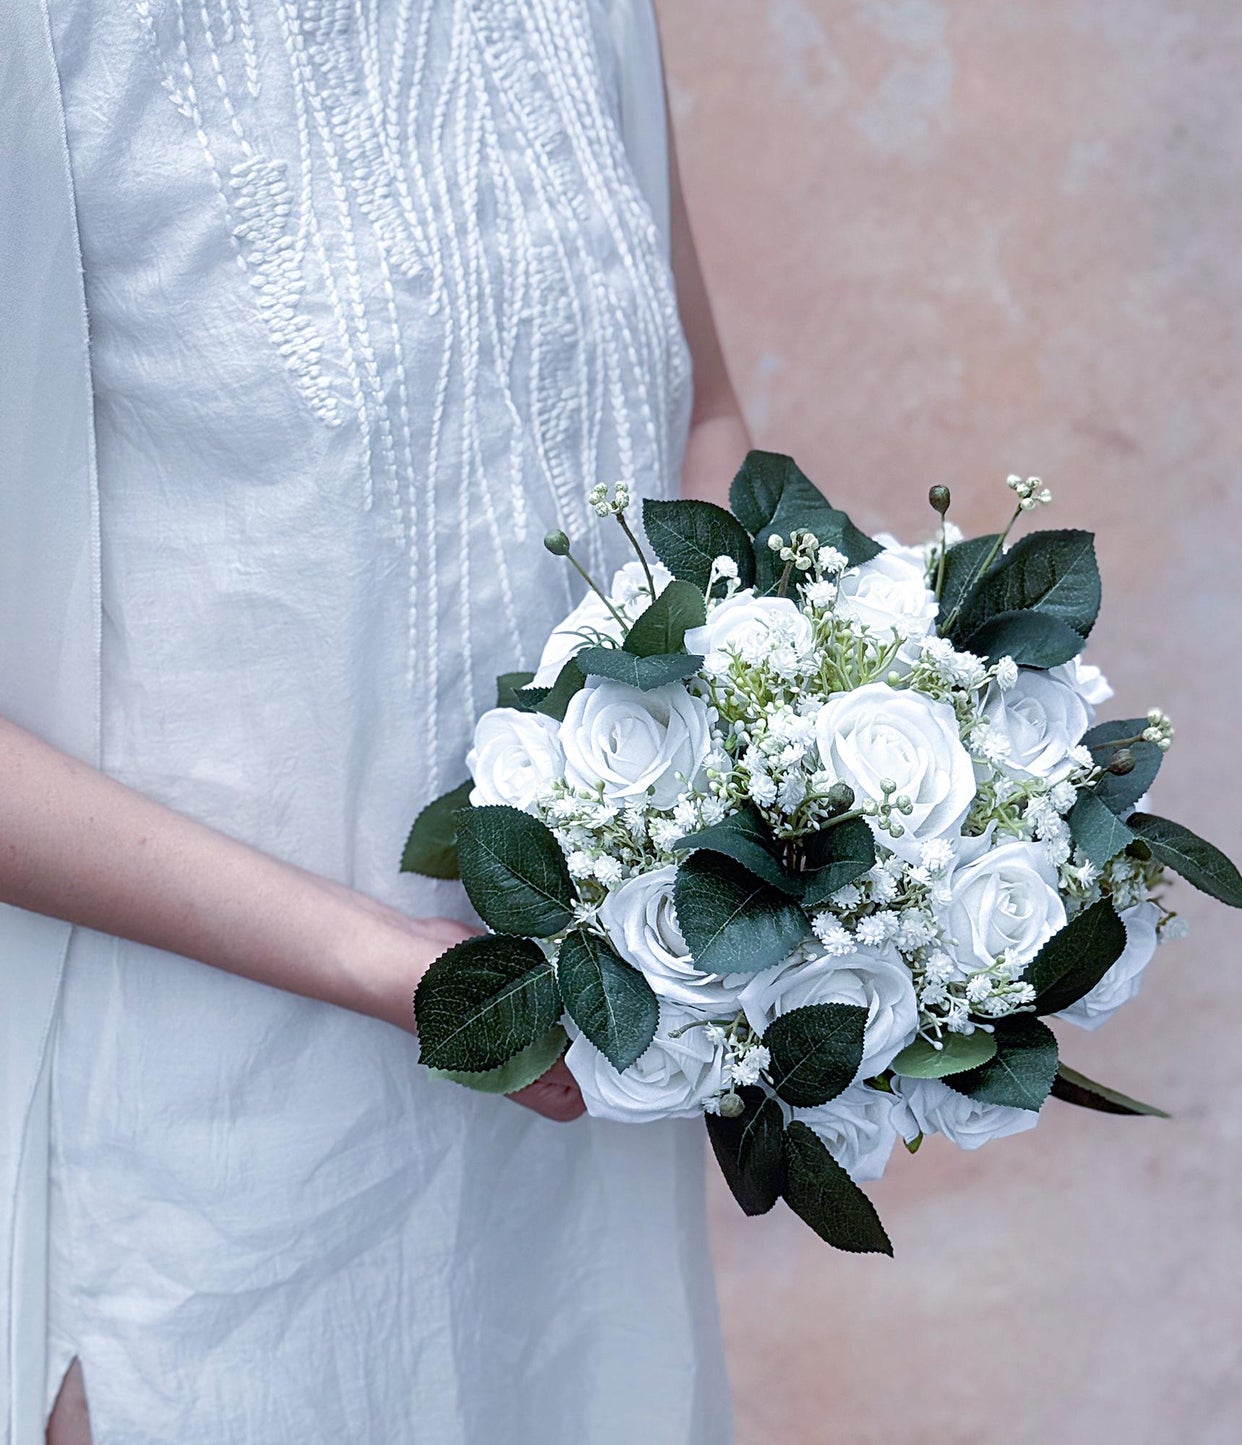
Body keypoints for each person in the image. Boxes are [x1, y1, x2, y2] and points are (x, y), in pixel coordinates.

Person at [0, 1, 748, 1440]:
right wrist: (402, 970)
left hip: (571, 1138)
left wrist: (795, 786)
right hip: (203, 1173)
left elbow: (700, 419)